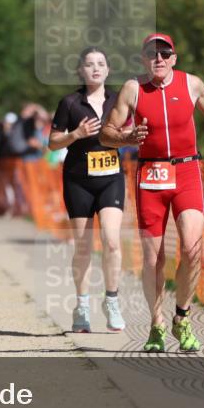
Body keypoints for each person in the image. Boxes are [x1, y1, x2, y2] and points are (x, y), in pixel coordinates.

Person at [100, 33, 204, 353]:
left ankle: (182, 317)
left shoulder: (192, 84)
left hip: (186, 172)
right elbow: (106, 135)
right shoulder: (132, 89)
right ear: (143, 58)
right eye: (152, 54)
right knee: (153, 258)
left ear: (174, 58)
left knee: (193, 250)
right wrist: (126, 137)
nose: (159, 59)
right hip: (151, 175)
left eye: (165, 54)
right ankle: (156, 325)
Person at [49, 46, 128, 333]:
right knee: (83, 246)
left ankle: (112, 300)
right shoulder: (70, 103)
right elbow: (52, 142)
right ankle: (82, 305)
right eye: (89, 64)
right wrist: (75, 134)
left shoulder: (119, 100)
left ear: (108, 70)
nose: (95, 68)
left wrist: (127, 137)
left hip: (111, 178)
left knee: (111, 240)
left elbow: (128, 134)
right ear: (80, 71)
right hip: (78, 180)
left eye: (101, 64)